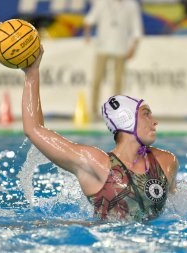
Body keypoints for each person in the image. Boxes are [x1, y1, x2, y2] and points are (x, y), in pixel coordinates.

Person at [22, 45, 178, 222]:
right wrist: (32, 73)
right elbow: (33, 129)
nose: (154, 121)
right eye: (146, 114)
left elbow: (175, 210)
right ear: (126, 119)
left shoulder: (166, 162)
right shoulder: (94, 163)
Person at [83, 0, 143, 119]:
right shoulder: (102, 3)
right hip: (102, 47)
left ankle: (117, 112)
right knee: (97, 79)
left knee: (118, 82)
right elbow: (89, 20)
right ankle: (93, 111)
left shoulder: (131, 5)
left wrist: (133, 47)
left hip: (121, 47)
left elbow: (137, 28)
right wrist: (87, 35)